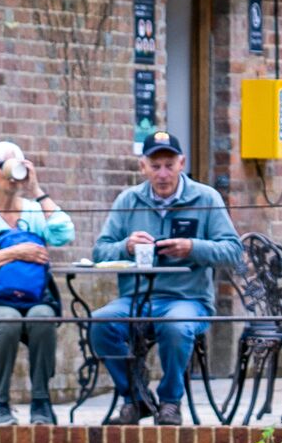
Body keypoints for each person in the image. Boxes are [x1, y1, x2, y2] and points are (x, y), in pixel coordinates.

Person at [83, 130, 242, 426]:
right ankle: (136, 397)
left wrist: (193, 248)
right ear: (143, 167)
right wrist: (126, 246)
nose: (163, 174)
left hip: (187, 299)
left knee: (176, 327)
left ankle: (170, 401)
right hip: (135, 299)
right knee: (100, 323)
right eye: (155, 166)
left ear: (182, 163)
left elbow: (233, 251)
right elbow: (100, 252)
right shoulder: (128, 200)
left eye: (169, 165)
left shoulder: (206, 198)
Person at [0, 140, 74, 425]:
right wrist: (14, 252)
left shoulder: (33, 210)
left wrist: (37, 191)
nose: (11, 173)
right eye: (2, 166)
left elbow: (65, 234)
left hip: (32, 300)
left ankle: (41, 403)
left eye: (16, 164)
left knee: (44, 316)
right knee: (7, 319)